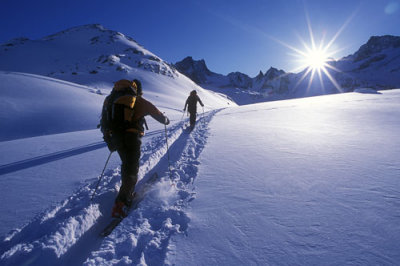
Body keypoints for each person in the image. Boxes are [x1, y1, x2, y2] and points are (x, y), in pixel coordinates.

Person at [106, 79, 170, 218]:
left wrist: (109, 140)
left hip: (116, 138)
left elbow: (104, 120)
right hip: (132, 138)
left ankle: (126, 191)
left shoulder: (111, 99)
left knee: (126, 164)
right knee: (132, 167)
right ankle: (122, 203)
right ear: (138, 90)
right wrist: (165, 120)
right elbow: (157, 114)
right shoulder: (139, 100)